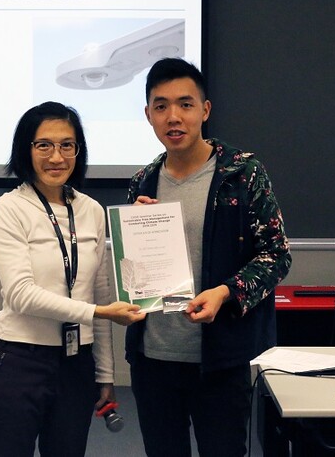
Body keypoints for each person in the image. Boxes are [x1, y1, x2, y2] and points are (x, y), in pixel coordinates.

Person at [125, 58, 292, 457]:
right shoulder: (142, 182)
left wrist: (226, 292)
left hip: (220, 358)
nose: (173, 117)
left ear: (205, 109)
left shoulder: (242, 172)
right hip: (154, 359)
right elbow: (133, 273)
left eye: (185, 104)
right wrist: (132, 238)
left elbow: (276, 255)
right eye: (161, 106)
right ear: (148, 114)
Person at [0, 101, 146, 457]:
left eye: (67, 145)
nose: (57, 156)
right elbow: (22, 295)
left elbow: (98, 292)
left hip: (76, 364)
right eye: (44, 145)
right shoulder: (7, 209)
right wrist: (99, 312)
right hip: (20, 361)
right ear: (26, 150)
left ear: (78, 151)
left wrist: (104, 375)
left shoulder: (91, 210)